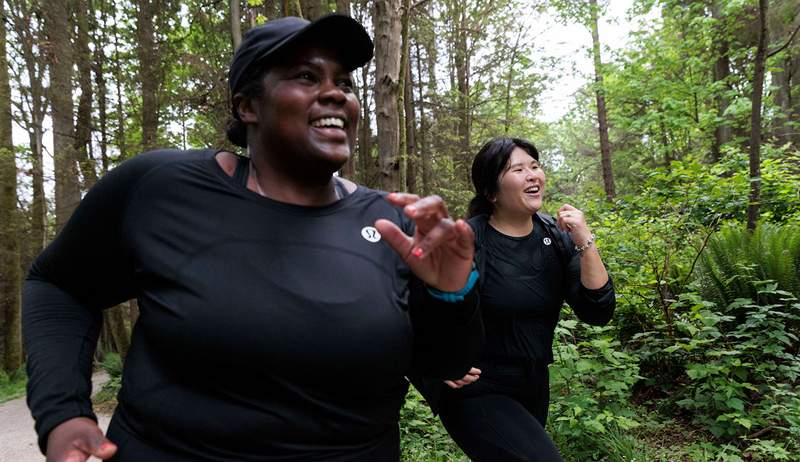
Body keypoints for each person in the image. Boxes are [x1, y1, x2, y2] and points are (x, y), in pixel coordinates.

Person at [22, 14, 482, 462]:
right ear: (247, 106)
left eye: (344, 83)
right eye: (306, 76)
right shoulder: (159, 188)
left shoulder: (393, 222)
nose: (335, 95)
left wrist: (452, 295)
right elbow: (58, 286)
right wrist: (62, 413)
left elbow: (446, 368)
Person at [436, 137, 615, 461]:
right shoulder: (466, 240)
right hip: (477, 389)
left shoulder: (557, 237)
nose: (533, 175)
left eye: (535, 166)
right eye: (518, 169)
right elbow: (421, 309)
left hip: (533, 384)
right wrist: (433, 363)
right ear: (491, 191)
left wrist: (585, 241)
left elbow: (598, 310)